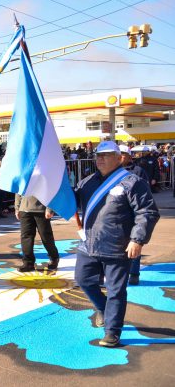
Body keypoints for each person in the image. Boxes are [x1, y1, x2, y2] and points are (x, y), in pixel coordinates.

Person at [74, 141, 159, 348]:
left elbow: (147, 212)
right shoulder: (87, 181)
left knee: (116, 291)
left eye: (106, 155)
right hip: (88, 244)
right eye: (98, 155)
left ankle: (112, 331)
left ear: (119, 158)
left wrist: (137, 239)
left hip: (117, 246)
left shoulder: (132, 182)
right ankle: (103, 309)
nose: (100, 159)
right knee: (83, 280)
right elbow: (73, 199)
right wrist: (54, 202)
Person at [119, 145, 149, 285]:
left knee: (135, 241)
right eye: (118, 153)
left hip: (134, 213)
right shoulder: (112, 171)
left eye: (123, 154)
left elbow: (145, 193)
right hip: (117, 214)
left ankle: (134, 272)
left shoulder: (138, 171)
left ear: (130, 156)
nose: (120, 156)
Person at [14, 194, 59, 272]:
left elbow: (51, 190)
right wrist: (17, 208)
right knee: (26, 237)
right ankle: (28, 263)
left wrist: (49, 209)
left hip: (41, 209)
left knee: (46, 236)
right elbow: (19, 190)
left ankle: (54, 258)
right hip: (24, 209)